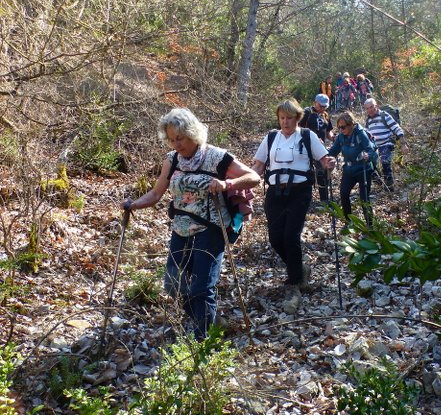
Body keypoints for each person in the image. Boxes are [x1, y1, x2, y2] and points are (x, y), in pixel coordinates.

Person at [122, 107, 260, 340]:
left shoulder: (217, 157)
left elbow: (254, 177)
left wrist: (226, 185)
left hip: (212, 228)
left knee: (201, 288)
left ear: (193, 133)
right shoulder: (172, 160)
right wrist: (133, 205)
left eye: (181, 138)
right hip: (181, 228)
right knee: (173, 284)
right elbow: (156, 194)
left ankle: (202, 343)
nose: (176, 144)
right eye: (171, 139)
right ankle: (209, 319)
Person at [253, 98, 336, 313]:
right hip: (275, 192)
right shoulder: (271, 137)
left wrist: (329, 164)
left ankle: (295, 280)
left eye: (289, 118)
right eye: (282, 118)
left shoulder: (308, 136)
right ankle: (299, 268)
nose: (285, 122)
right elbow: (259, 165)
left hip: (300, 192)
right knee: (275, 238)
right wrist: (245, 183)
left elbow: (324, 159)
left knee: (291, 236)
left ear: (297, 118)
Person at [327, 111, 378, 226]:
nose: (341, 130)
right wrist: (323, 155)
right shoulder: (341, 137)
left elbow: (371, 150)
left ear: (351, 124)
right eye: (339, 127)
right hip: (349, 169)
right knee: (344, 194)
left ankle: (370, 225)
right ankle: (348, 222)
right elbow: (333, 151)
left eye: (343, 127)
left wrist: (367, 156)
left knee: (364, 198)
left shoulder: (361, 134)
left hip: (363, 169)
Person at [363, 97, 409, 192]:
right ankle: (380, 182)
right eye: (367, 108)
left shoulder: (385, 116)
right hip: (375, 146)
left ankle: (389, 188)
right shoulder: (368, 120)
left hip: (386, 143)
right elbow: (366, 135)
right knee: (367, 165)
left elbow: (397, 128)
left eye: (371, 107)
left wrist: (403, 144)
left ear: (376, 106)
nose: (370, 110)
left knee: (385, 162)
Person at [299, 93, 334, 202]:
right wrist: (311, 138)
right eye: (321, 106)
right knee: (306, 172)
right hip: (306, 147)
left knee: (322, 172)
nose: (323, 108)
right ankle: (303, 198)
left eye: (325, 106)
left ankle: (324, 200)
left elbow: (329, 131)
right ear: (315, 103)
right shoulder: (307, 113)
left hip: (320, 149)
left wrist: (334, 138)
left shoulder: (325, 115)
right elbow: (298, 128)